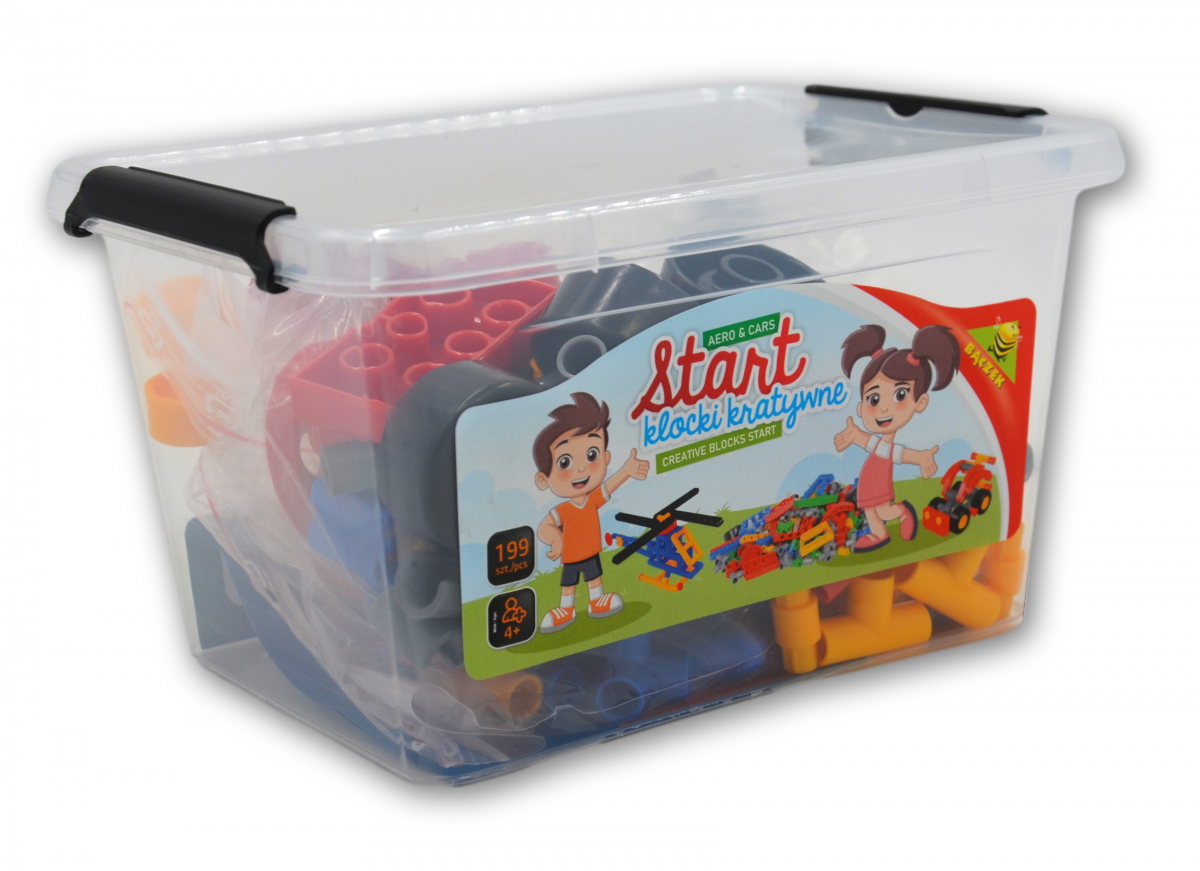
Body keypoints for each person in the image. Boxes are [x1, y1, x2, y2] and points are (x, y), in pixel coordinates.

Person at [834, 324, 960, 552]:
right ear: (861, 407)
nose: (883, 409)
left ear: (920, 402)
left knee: (883, 510)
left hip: (879, 479)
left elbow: (900, 454)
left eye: (900, 395)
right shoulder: (877, 444)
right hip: (868, 481)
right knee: (869, 509)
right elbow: (867, 441)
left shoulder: (886, 448)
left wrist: (921, 457)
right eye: (873, 399)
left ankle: (902, 511)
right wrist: (853, 434)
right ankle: (879, 534)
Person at [532, 393, 649, 633]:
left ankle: (597, 601)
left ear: (605, 457)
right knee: (569, 583)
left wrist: (626, 471)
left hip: (591, 552)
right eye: (565, 462)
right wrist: (556, 539)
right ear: (544, 479)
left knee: (595, 577)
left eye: (592, 455)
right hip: (571, 557)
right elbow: (545, 526)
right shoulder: (563, 510)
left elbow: (608, 486)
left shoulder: (592, 499)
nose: (582, 468)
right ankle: (566, 609)